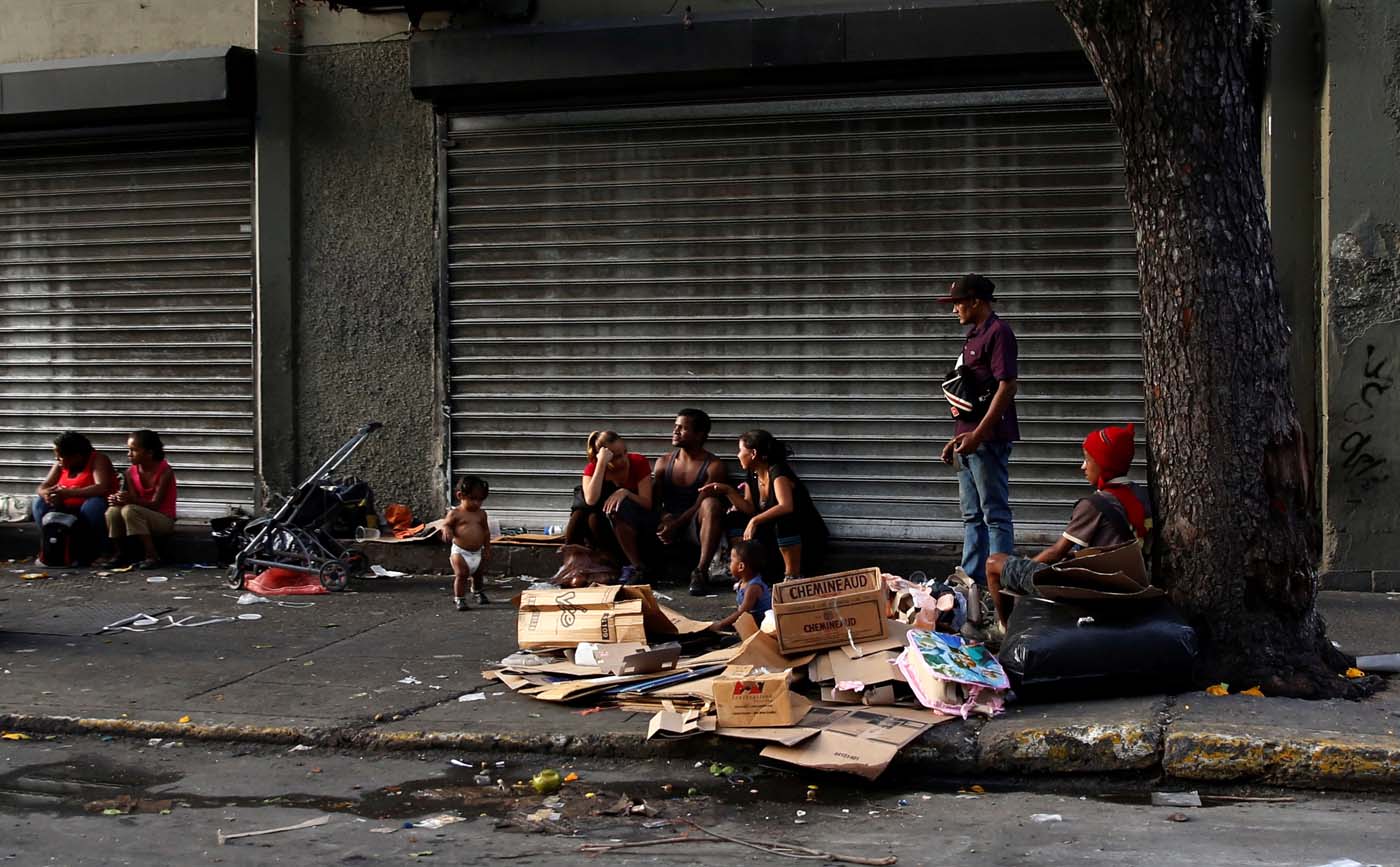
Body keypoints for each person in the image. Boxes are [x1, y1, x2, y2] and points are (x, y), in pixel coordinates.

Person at [986, 423, 1152, 628]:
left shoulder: (1095, 504)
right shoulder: (1143, 495)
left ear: (1103, 464)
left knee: (994, 563)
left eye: (1088, 459)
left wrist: (1026, 572)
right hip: (1134, 585)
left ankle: (1004, 629)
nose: (1083, 466)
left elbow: (1056, 552)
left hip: (1093, 590)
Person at [937, 273, 1019, 612]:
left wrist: (979, 435)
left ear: (975, 302)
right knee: (971, 515)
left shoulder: (999, 334)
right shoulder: (973, 336)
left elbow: (1007, 387)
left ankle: (1003, 583)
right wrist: (957, 438)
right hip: (968, 442)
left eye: (958, 302)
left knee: (994, 515)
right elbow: (969, 393)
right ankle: (972, 581)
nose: (954, 308)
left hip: (988, 441)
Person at [700, 429, 828, 580]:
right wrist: (728, 491)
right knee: (735, 518)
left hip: (803, 541)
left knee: (784, 521)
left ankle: (793, 575)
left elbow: (786, 506)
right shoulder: (752, 474)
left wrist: (755, 520)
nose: (738, 455)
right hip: (773, 541)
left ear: (753, 453)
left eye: (740, 450)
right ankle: (746, 572)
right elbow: (749, 508)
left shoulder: (778, 471)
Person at [652, 408, 729, 596]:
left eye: (683, 428)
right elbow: (654, 500)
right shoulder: (663, 463)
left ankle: (700, 572)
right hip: (667, 524)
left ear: (699, 434)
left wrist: (677, 525)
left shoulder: (713, 466)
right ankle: (639, 568)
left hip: (694, 524)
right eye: (675, 427)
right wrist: (666, 518)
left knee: (711, 504)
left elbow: (699, 504)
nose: (675, 432)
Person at [565, 430, 655, 584]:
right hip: (602, 523)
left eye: (624, 452)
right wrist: (601, 464)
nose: (623, 459)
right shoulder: (593, 468)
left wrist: (625, 492)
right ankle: (575, 567)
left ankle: (625, 565)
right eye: (617, 456)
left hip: (632, 523)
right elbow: (591, 500)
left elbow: (647, 503)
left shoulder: (638, 462)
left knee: (605, 513)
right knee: (583, 515)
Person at [33, 431, 117, 563]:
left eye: (60, 457)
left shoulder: (98, 459)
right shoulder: (61, 464)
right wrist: (46, 493)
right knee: (39, 504)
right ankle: (50, 546)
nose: (57, 460)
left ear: (76, 457)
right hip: (66, 508)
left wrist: (69, 493)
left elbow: (101, 487)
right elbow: (44, 485)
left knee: (94, 505)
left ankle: (103, 550)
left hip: (87, 510)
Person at [103, 429, 178, 568]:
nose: (129, 454)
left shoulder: (165, 471)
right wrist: (118, 499)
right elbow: (133, 499)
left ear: (149, 453)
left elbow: (155, 504)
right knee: (113, 511)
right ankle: (120, 553)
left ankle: (152, 555)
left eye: (133, 450)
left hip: (163, 519)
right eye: (129, 450)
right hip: (140, 513)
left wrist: (129, 500)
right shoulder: (130, 472)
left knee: (130, 510)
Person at [442, 475, 492, 610]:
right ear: (460, 495)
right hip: (460, 551)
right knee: (461, 574)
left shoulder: (481, 514)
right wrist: (447, 530)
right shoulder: (456, 513)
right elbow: (446, 524)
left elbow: (486, 532)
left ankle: (477, 591)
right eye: (473, 499)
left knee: (478, 574)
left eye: (480, 500)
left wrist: (487, 548)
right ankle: (459, 598)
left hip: (477, 551)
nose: (477, 503)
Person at [708, 540, 772, 632]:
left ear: (741, 567)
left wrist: (721, 624)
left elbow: (742, 613)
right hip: (749, 621)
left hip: (760, 626)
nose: (729, 564)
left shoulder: (753, 587)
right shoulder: (743, 582)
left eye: (731, 561)